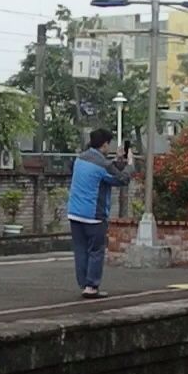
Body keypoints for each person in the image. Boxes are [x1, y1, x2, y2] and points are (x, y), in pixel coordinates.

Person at [67, 128, 133, 299]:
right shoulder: (103, 164)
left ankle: (84, 284)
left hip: (74, 212)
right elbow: (121, 179)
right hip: (94, 215)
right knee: (96, 250)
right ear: (104, 144)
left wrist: (118, 161)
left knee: (80, 250)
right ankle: (92, 286)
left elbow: (106, 174)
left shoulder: (80, 159)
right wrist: (129, 165)